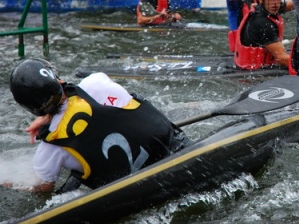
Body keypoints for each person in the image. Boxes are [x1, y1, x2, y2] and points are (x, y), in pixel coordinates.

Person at [8, 59, 191, 193]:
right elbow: (76, 102)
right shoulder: (95, 83)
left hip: (144, 192)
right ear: (56, 79)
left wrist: (14, 185)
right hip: (177, 149)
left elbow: (44, 188)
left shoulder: (49, 148)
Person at [233, 0, 290, 70]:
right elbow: (282, 59)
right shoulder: (262, 23)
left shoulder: (267, 7)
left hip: (249, 64)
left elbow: (291, 5)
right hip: (252, 72)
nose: (275, 2)